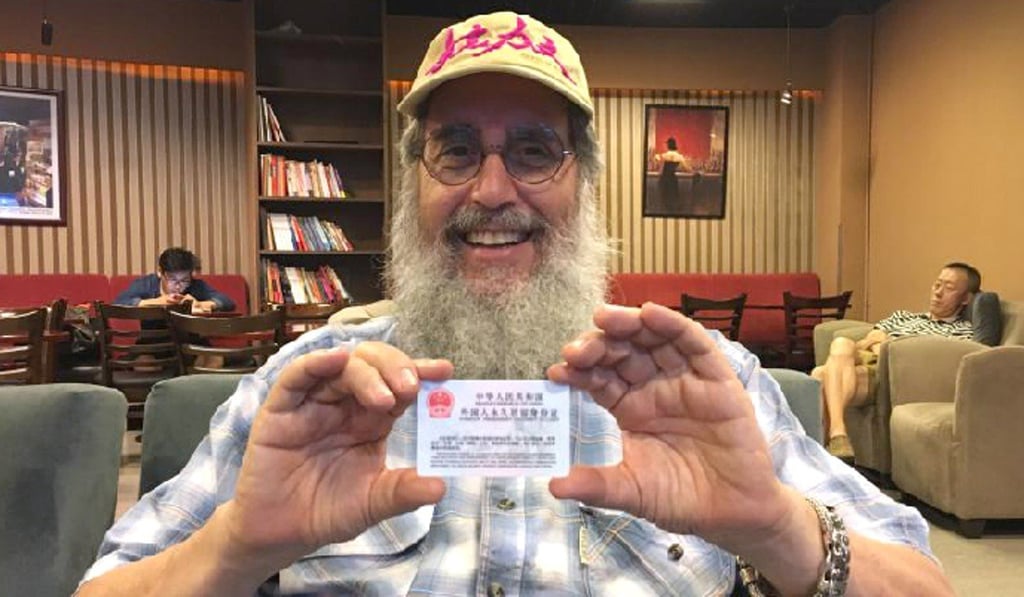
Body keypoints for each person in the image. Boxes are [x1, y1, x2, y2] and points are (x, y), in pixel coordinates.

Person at [79, 12, 953, 596]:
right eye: (454, 151)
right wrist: (234, 547)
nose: (492, 190)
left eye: (535, 151)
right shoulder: (309, 388)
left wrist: (778, 528)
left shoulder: (713, 383)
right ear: (412, 186)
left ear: (589, 189)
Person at [812, 262, 979, 460]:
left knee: (820, 375)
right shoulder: (902, 317)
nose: (938, 293)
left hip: (893, 374)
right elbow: (867, 341)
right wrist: (876, 345)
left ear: (966, 298)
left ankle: (823, 449)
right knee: (841, 343)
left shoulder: (962, 331)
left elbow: (935, 362)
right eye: (937, 285)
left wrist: (885, 344)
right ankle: (837, 435)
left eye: (949, 288)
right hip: (864, 361)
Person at [114, 247, 236, 314]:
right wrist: (158, 302)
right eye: (173, 279)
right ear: (160, 272)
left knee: (215, 358)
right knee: (144, 359)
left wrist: (201, 304)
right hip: (152, 341)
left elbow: (227, 302)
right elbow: (119, 302)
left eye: (184, 280)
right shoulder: (147, 284)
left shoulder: (195, 285)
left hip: (189, 341)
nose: (179, 286)